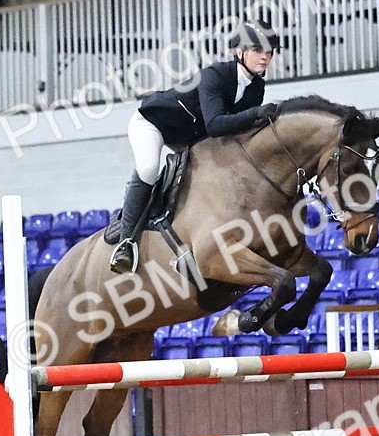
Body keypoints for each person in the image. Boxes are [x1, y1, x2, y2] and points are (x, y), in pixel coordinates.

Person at [107, 19, 283, 274]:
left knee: (206, 178)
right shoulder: (215, 75)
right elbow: (215, 124)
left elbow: (237, 131)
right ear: (239, 52)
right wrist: (256, 113)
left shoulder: (257, 87)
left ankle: (188, 248)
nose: (265, 57)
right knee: (149, 168)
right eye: (258, 51)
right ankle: (125, 242)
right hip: (155, 123)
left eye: (269, 53)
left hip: (191, 136)